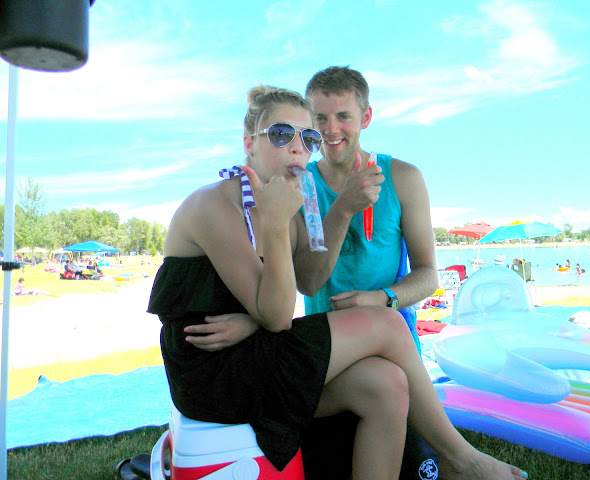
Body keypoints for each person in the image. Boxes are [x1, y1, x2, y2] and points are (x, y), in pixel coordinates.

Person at [148, 85, 525, 480]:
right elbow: (276, 316)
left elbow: (309, 282)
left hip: (257, 352)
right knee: (388, 323)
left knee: (386, 384)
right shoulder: (214, 204)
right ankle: (459, 459)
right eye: (281, 134)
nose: (298, 147)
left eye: (307, 138)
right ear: (249, 143)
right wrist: (275, 226)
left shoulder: (292, 207)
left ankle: (451, 459)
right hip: (213, 375)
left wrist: (339, 210)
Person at [297, 65, 439, 479]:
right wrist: (343, 207)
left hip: (398, 357)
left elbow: (429, 274)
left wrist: (382, 299)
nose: (330, 129)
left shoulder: (403, 178)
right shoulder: (302, 186)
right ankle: (459, 458)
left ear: (366, 117)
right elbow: (308, 281)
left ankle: (453, 458)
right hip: (331, 361)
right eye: (319, 118)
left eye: (343, 116)